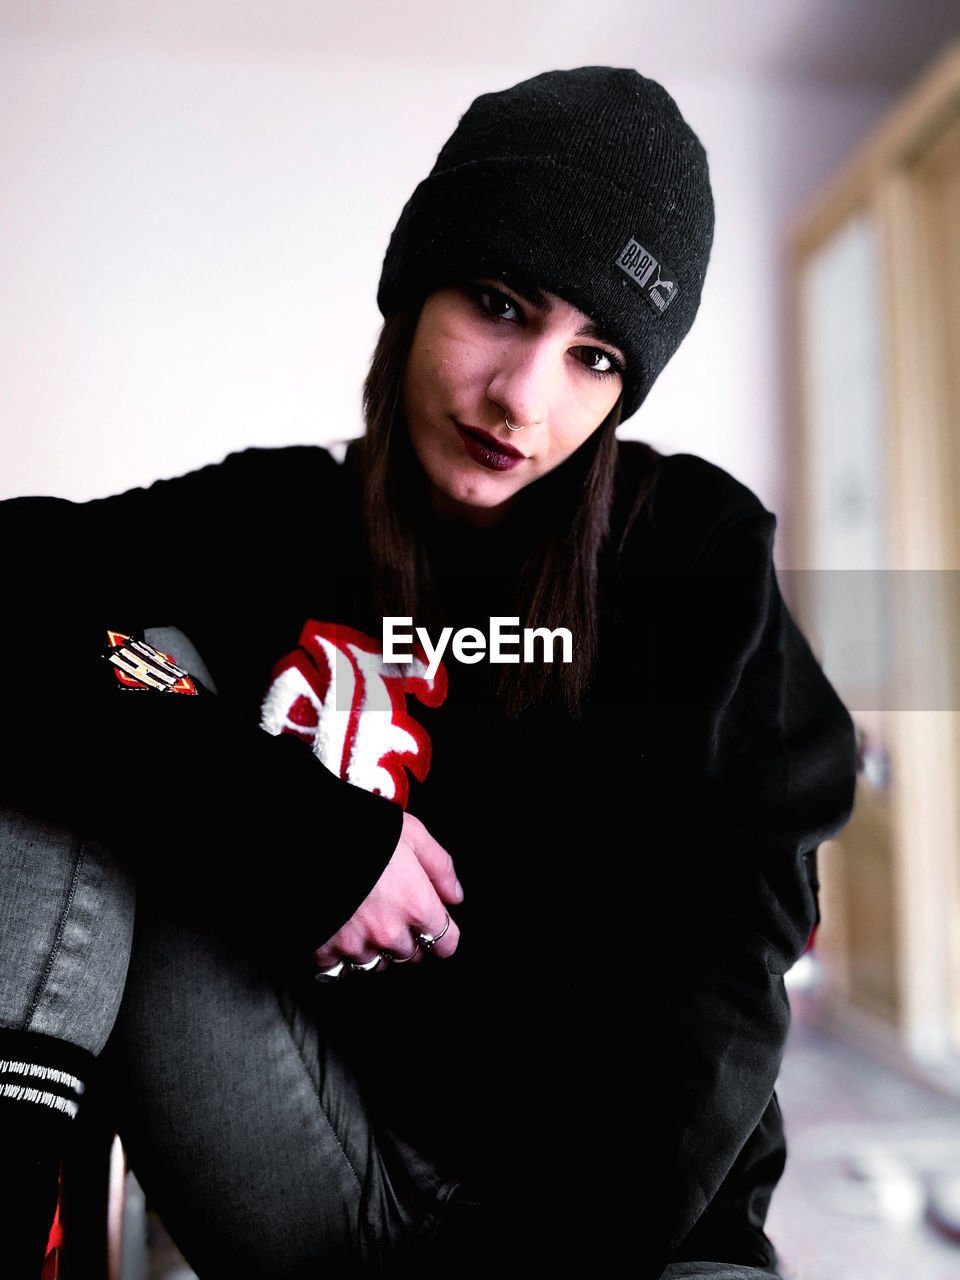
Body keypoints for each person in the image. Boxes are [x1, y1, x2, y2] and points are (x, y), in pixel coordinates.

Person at [0, 67, 856, 1278]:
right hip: (313, 1147)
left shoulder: (689, 554)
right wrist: (286, 823)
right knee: (112, 676)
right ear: (417, 285)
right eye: (501, 303)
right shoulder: (274, 519)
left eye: (596, 355)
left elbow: (726, 972)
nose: (524, 397)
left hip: (623, 1228)